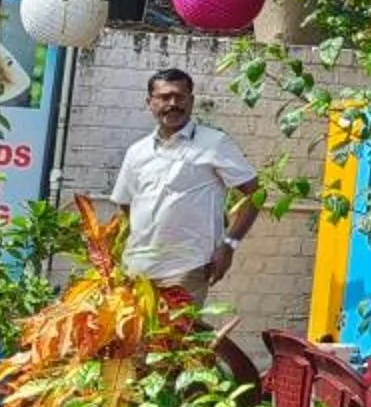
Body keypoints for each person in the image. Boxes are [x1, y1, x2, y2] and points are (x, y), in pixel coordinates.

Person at [109, 69, 260, 303]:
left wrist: (229, 245)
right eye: (164, 97)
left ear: (191, 100)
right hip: (138, 269)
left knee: (180, 328)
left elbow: (255, 194)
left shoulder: (214, 143)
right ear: (150, 103)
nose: (173, 103)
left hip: (187, 268)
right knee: (134, 329)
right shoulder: (137, 151)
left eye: (180, 97)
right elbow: (126, 203)